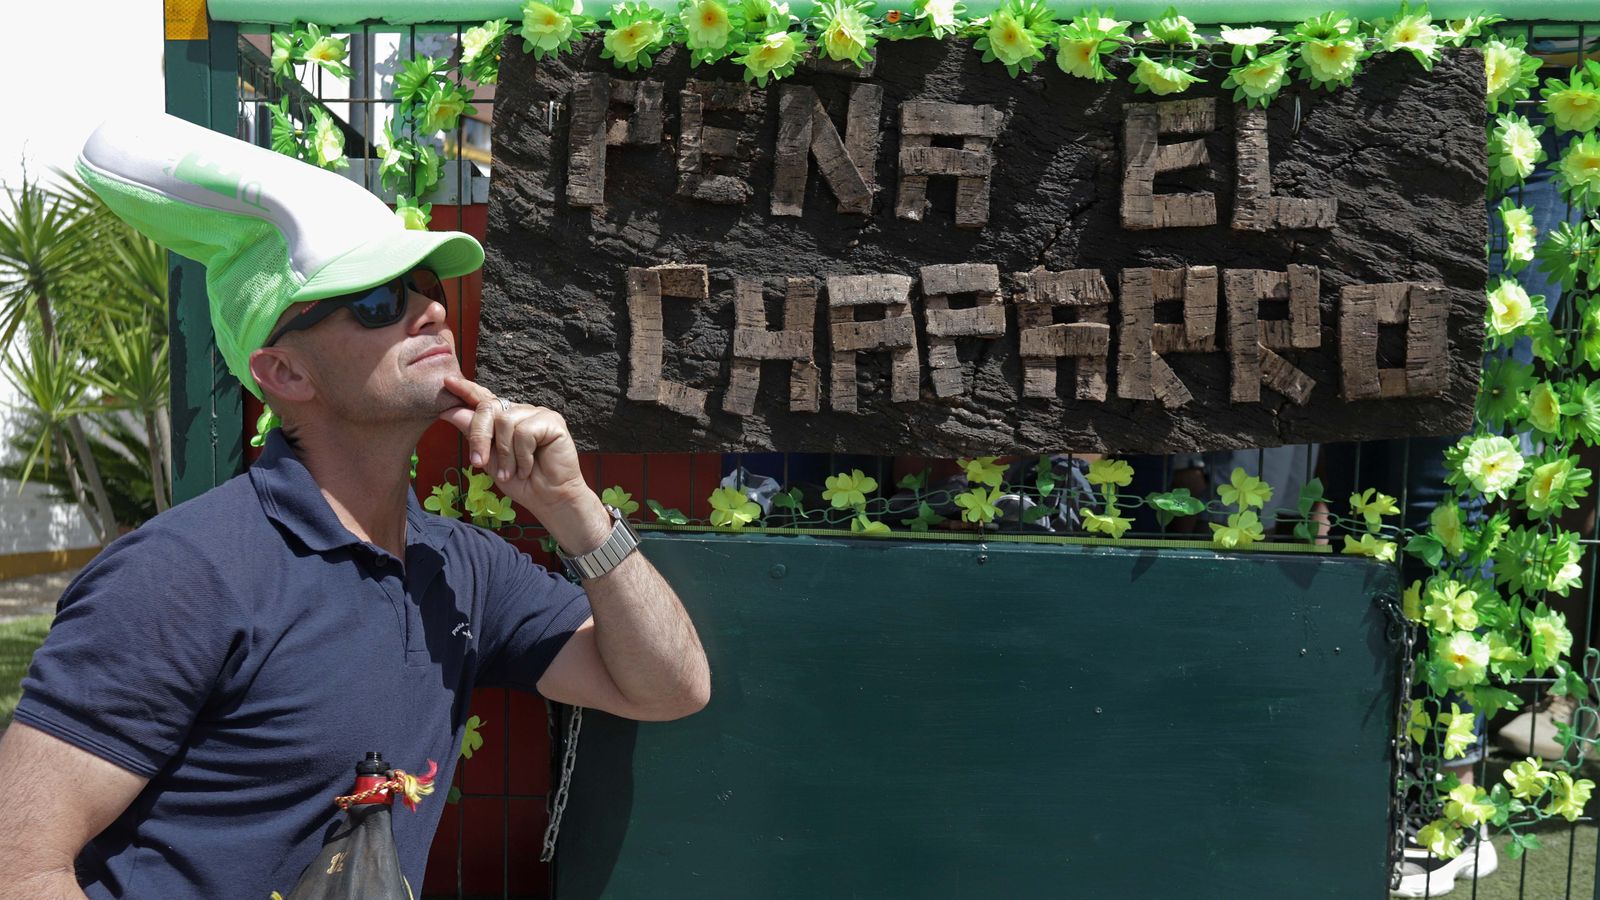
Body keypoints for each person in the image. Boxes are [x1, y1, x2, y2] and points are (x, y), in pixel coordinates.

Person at [0, 114, 710, 899]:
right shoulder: (185, 573)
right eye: (375, 302)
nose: (429, 312)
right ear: (285, 373)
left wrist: (574, 509)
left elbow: (668, 687)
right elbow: (19, 863)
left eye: (425, 289)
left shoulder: (459, 567)